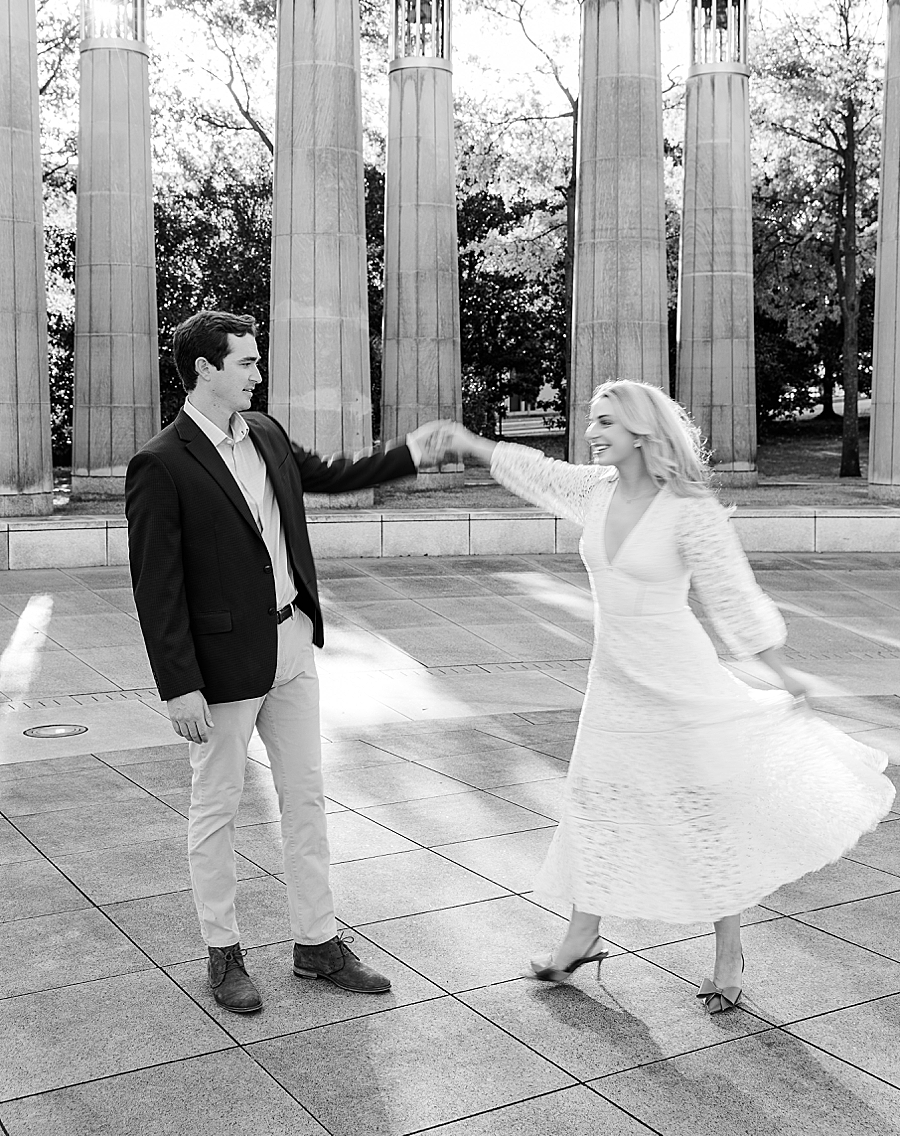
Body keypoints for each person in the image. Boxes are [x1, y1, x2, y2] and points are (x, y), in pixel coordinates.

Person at [441, 380, 894, 1013]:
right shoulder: (595, 491)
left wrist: (782, 670)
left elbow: (730, 593)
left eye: (603, 422)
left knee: (702, 811)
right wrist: (468, 443)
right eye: (591, 421)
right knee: (596, 799)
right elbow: (537, 472)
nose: (591, 433)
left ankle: (727, 952)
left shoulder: (688, 507)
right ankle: (581, 935)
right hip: (614, 679)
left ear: (641, 431)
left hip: (679, 679)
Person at [125, 309, 446, 1014]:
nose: (258, 374)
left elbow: (330, 474)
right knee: (217, 808)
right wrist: (179, 685)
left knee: (306, 796)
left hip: (293, 644)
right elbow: (157, 586)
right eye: (246, 362)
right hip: (221, 665)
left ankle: (318, 946)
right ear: (204, 369)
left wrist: (411, 453)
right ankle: (224, 954)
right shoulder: (161, 463)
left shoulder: (264, 432)